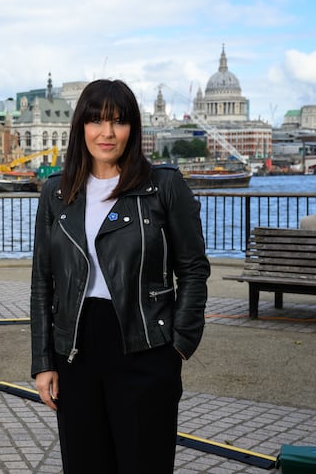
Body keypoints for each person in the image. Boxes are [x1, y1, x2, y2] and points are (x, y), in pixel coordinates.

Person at [30, 79, 210, 473]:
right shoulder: (57, 193)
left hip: (146, 347)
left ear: (133, 129)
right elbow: (43, 281)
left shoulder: (163, 187)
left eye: (118, 122)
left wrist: (177, 347)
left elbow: (194, 270)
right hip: (75, 351)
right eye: (96, 121)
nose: (107, 133)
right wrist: (43, 362)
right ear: (81, 127)